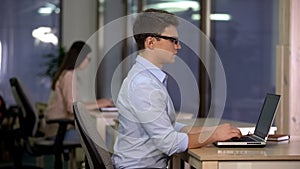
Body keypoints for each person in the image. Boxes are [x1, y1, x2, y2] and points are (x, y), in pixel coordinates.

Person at [112, 9, 242, 168]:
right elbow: (169, 143)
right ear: (151, 43)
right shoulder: (143, 85)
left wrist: (210, 131)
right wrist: (215, 135)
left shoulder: (148, 79)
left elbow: (168, 126)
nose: (178, 46)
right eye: (173, 40)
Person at [45, 41, 114, 141]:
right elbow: (71, 107)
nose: (88, 62)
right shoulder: (69, 76)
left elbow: (75, 104)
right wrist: (98, 104)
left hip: (59, 128)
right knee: (104, 137)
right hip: (59, 131)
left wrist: (99, 103)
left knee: (100, 134)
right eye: (88, 59)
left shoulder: (67, 73)